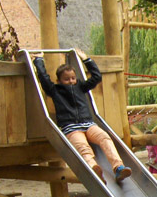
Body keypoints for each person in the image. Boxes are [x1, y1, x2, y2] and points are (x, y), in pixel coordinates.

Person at [32, 49, 131, 184]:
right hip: (71, 128)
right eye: (66, 79)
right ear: (59, 80)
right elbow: (44, 79)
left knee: (104, 137)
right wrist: (38, 61)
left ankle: (118, 167)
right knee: (83, 147)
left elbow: (96, 77)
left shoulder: (80, 87)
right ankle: (93, 168)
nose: (71, 81)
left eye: (73, 78)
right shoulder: (55, 91)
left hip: (88, 124)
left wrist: (86, 60)